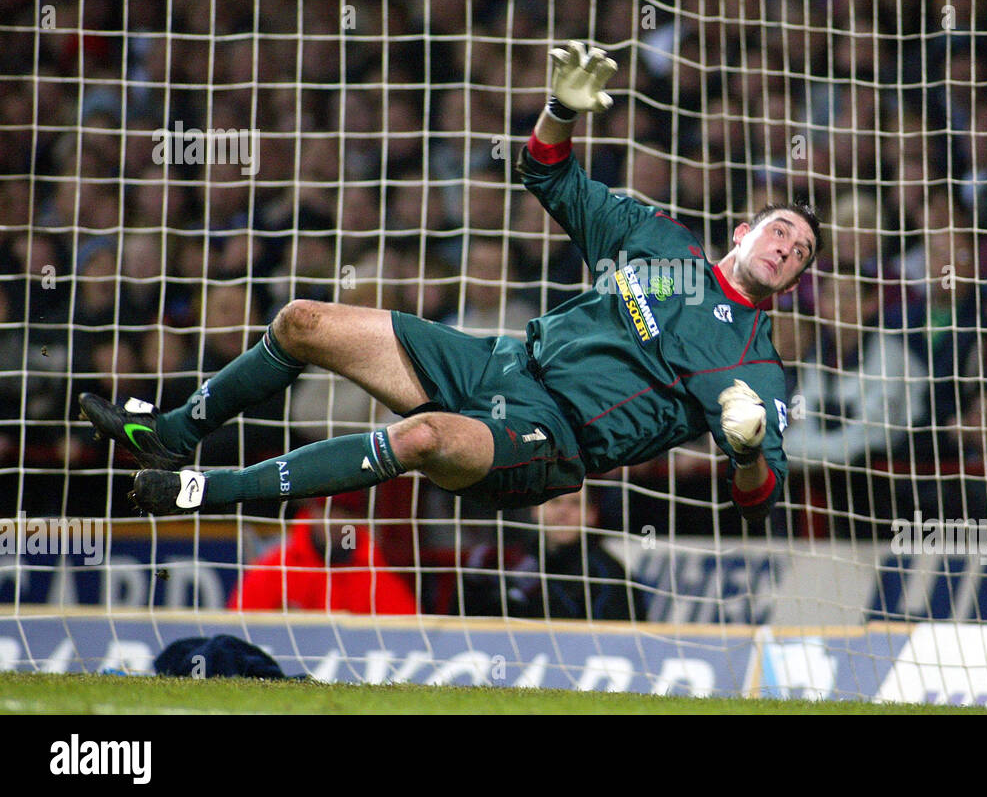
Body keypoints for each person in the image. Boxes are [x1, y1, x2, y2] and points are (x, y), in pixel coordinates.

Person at [79, 41, 821, 529]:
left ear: (791, 283)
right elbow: (547, 171)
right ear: (742, 233)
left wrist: (748, 448)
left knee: (424, 437)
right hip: (495, 361)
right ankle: (175, 434)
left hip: (549, 437)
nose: (787, 248)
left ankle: (205, 491)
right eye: (780, 229)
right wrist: (559, 109)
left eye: (801, 252)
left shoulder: (755, 366)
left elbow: (759, 496)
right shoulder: (659, 240)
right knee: (303, 320)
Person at [458, 488, 646, 620]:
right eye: (555, 502)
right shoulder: (504, 561)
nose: (563, 512)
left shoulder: (607, 574)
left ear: (591, 515)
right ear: (535, 510)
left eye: (574, 504)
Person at [228, 495, 419, 615]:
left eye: (345, 512)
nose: (335, 522)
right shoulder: (275, 569)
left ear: (359, 520)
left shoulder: (377, 578)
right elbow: (239, 626)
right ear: (311, 512)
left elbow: (405, 639)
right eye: (326, 510)